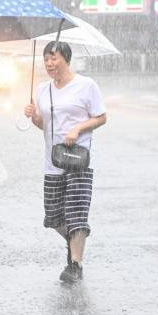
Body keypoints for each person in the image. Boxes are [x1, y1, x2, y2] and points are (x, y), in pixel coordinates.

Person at [24, 41, 106, 283]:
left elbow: (101, 117)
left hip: (78, 158)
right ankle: (74, 243)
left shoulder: (86, 85)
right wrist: (34, 117)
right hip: (53, 160)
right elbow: (44, 126)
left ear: (66, 59)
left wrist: (78, 128)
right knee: (54, 216)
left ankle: (75, 264)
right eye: (46, 59)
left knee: (77, 213)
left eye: (54, 58)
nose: (49, 64)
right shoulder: (42, 90)